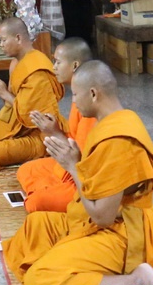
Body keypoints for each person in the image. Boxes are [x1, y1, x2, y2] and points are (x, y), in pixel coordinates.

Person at [2, 62, 153, 285]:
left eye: (75, 95)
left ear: (93, 93)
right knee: (36, 225)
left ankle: (134, 282)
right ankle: (70, 261)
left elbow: (103, 217)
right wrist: (71, 155)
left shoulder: (118, 141)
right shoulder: (117, 120)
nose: (73, 101)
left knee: (40, 281)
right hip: (106, 220)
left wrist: (73, 167)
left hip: (122, 235)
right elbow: (97, 178)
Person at [0, 18, 63, 172]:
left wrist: (3, 93)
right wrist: (1, 93)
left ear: (18, 38)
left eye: (3, 40)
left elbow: (35, 117)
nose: (1, 45)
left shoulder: (37, 70)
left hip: (40, 134)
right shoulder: (16, 63)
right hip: (16, 126)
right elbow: (11, 107)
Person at [16, 38, 96, 212]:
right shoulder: (79, 94)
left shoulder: (89, 103)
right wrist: (53, 130)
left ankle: (49, 192)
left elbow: (82, 160)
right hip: (69, 167)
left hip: (85, 180)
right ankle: (50, 189)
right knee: (25, 170)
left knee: (35, 202)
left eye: (58, 62)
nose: (54, 67)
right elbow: (73, 141)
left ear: (75, 65)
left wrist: (54, 133)